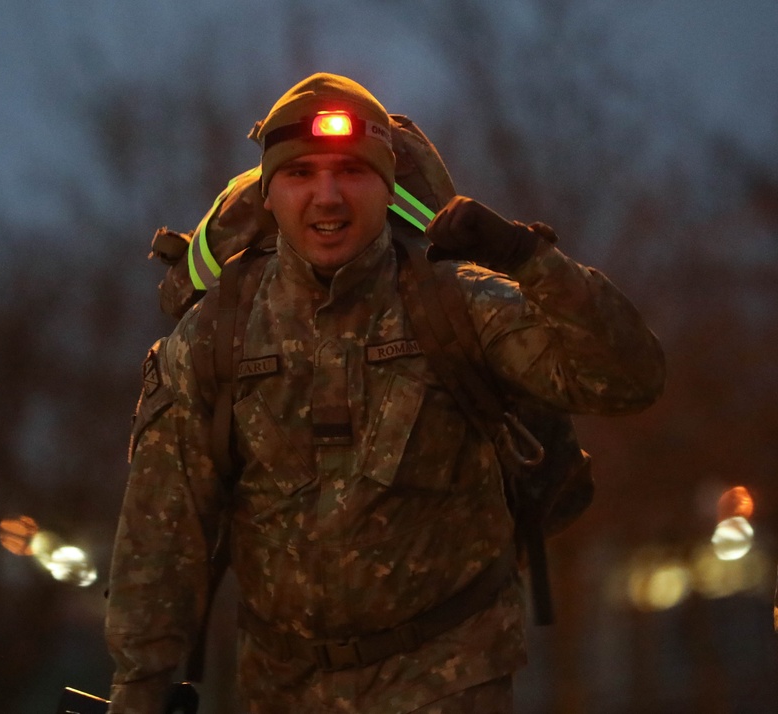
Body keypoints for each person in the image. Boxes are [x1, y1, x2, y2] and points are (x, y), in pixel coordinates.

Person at [104, 72, 666, 713]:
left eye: (352, 172)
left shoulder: (458, 303)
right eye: (300, 174)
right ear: (268, 194)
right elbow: (160, 535)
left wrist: (529, 259)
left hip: (450, 678)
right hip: (279, 689)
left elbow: (628, 380)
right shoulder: (216, 336)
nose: (328, 197)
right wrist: (138, 691)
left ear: (387, 185)